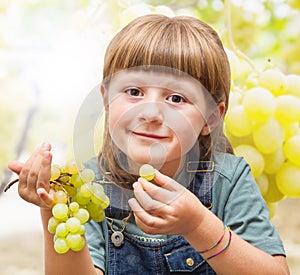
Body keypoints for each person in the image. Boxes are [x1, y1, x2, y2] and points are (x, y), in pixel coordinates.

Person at [8, 14, 289, 275]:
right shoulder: (88, 185)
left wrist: (199, 225)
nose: (151, 113)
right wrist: (53, 207)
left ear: (211, 117)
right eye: (133, 92)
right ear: (106, 100)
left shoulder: (229, 179)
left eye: (176, 99)